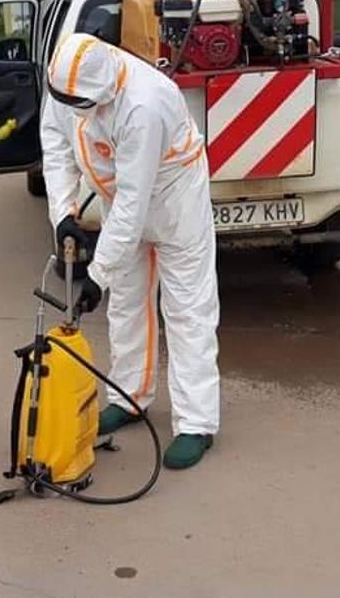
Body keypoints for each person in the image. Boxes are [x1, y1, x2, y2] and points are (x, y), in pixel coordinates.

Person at [41, 33, 221, 470]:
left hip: (172, 198)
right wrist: (63, 213)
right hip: (115, 196)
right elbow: (56, 146)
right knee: (126, 301)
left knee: (187, 309)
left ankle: (196, 422)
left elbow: (133, 205)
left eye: (79, 105)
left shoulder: (145, 103)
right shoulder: (65, 83)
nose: (70, 110)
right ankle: (129, 397)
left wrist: (95, 275)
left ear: (103, 94)